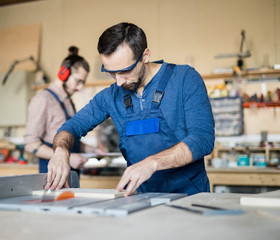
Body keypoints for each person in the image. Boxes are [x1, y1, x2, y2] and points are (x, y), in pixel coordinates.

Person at [45, 23, 215, 195]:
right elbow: (71, 127)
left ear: (145, 56)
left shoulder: (184, 78)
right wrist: (61, 151)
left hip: (189, 197)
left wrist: (152, 163)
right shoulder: (111, 95)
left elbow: (202, 139)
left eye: (125, 71)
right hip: (140, 199)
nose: (118, 81)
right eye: (110, 72)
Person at [24, 46, 103, 175]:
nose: (80, 88)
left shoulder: (68, 101)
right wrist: (68, 158)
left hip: (71, 172)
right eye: (78, 81)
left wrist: (91, 150)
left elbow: (69, 138)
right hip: (52, 174)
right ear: (63, 73)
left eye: (83, 83)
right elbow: (31, 144)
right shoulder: (43, 99)